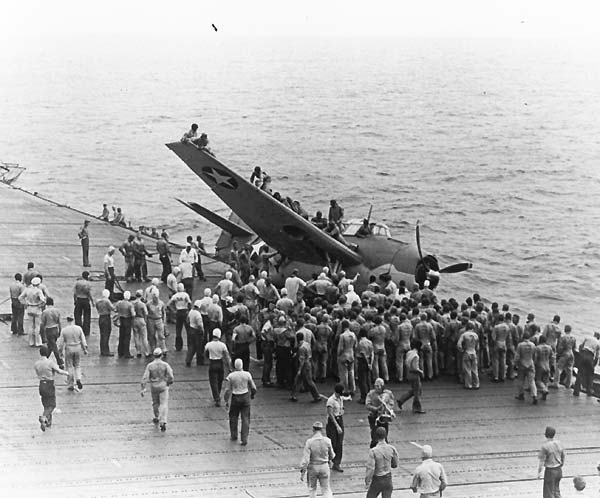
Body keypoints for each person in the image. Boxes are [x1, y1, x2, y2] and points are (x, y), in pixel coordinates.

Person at [222, 358, 257, 446]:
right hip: (245, 396)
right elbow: (253, 387)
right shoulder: (247, 375)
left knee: (233, 416)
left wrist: (226, 400)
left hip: (235, 397)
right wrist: (252, 394)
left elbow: (227, 390)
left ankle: (234, 435)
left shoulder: (231, 376)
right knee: (245, 418)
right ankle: (244, 438)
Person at [34, 345, 68, 431]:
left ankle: (48, 422)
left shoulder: (36, 364)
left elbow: (38, 373)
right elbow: (59, 371)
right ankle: (44, 417)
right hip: (49, 384)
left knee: (46, 404)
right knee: (52, 405)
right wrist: (67, 373)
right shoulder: (50, 363)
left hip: (41, 384)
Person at [141, 347, 174, 432]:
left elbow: (145, 377)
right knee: (164, 403)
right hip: (163, 385)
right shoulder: (165, 365)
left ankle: (156, 416)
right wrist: (169, 382)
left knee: (155, 402)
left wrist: (143, 388)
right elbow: (171, 375)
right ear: (161, 355)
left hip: (154, 385)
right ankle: (163, 421)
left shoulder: (150, 365)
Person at [300, 421, 335, 498]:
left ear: (313, 429)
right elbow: (332, 455)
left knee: (312, 489)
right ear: (322, 430)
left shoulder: (309, 442)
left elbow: (306, 460)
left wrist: (303, 472)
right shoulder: (327, 441)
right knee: (326, 489)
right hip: (324, 466)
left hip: (313, 467)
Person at [365, 426, 399, 498]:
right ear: (386, 435)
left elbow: (371, 468)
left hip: (377, 479)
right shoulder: (392, 449)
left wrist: (367, 481)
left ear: (376, 436)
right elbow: (395, 464)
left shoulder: (373, 451)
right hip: (388, 479)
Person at [57, 316, 88, 392]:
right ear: (73, 320)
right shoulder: (78, 328)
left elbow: (61, 343)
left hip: (69, 347)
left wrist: (60, 352)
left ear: (67, 320)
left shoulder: (64, 330)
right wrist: (84, 349)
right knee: (77, 365)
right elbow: (83, 339)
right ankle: (78, 378)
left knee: (69, 366)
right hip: (77, 347)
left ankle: (70, 383)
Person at [290, 332, 322, 403]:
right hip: (308, 362)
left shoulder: (301, 348)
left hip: (305, 366)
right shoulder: (307, 344)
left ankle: (317, 396)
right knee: (298, 380)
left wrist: (299, 370)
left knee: (308, 381)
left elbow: (302, 360)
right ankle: (293, 395)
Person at [397, 340, 426, 414]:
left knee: (413, 390)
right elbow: (415, 367)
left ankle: (401, 400)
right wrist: (421, 371)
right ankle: (417, 408)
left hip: (409, 373)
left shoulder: (409, 353)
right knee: (417, 392)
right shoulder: (416, 356)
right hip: (415, 375)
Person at [366, 378, 396, 447]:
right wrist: (376, 409)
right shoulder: (371, 394)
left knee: (384, 436)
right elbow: (367, 405)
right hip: (374, 417)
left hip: (384, 417)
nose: (377, 388)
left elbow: (391, 403)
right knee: (374, 436)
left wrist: (386, 408)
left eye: (379, 386)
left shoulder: (388, 393)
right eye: (376, 386)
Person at [204, 328, 231, 406]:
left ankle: (217, 398)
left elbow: (205, 353)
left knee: (213, 382)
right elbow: (227, 356)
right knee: (220, 381)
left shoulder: (208, 344)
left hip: (212, 363)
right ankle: (217, 395)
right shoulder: (222, 345)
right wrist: (229, 367)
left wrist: (207, 359)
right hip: (220, 363)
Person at [537, 426, 565, 498]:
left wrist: (539, 472)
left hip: (550, 471)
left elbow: (541, 461)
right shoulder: (559, 443)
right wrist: (561, 465)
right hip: (559, 470)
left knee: (548, 493)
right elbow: (563, 455)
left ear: (546, 434)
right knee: (556, 492)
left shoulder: (545, 446)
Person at [18, 276, 46, 346]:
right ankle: (37, 342)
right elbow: (43, 300)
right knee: (37, 326)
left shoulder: (27, 289)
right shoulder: (38, 291)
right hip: (36, 308)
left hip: (29, 308)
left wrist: (25, 303)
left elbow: (20, 297)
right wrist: (40, 304)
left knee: (30, 326)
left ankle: (31, 342)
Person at [326, 383, 347, 472]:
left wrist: (342, 411)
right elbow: (330, 414)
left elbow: (342, 408)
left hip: (339, 419)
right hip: (332, 423)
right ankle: (327, 460)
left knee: (339, 443)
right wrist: (337, 426)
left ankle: (337, 463)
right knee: (332, 442)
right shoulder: (330, 401)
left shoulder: (340, 399)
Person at [573, 331, 600, 397]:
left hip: (583, 354)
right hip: (590, 356)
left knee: (580, 373)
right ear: (598, 337)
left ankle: (576, 391)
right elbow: (597, 356)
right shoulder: (598, 343)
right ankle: (589, 391)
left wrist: (580, 354)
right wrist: (593, 365)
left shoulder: (587, 338)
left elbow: (580, 346)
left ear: (594, 335)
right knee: (590, 374)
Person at [167, 283, 192, 352]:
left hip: (178, 312)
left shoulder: (175, 296)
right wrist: (189, 310)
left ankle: (178, 346)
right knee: (188, 330)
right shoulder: (186, 295)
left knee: (178, 330)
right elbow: (190, 303)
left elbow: (168, 305)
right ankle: (189, 345)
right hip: (185, 312)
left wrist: (173, 311)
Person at [39, 297, 63, 368]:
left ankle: (59, 361)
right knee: (51, 345)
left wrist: (41, 332)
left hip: (49, 329)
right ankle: (46, 358)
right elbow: (59, 322)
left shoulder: (45, 312)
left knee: (53, 346)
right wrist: (60, 330)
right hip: (55, 328)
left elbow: (42, 323)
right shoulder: (57, 311)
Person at [515, 333, 538, 404]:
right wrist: (534, 362)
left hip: (522, 363)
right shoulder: (533, 345)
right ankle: (534, 395)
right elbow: (535, 356)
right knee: (531, 381)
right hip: (530, 363)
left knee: (521, 380)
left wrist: (515, 363)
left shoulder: (520, 345)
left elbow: (517, 356)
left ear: (523, 337)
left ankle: (521, 394)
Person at [73, 271, 94, 337]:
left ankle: (78, 329)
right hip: (85, 300)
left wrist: (75, 300)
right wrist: (92, 301)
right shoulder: (88, 284)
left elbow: (74, 293)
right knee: (87, 316)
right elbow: (89, 293)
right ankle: (86, 331)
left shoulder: (77, 283)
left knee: (77, 315)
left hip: (79, 299)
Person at [116, 291, 135, 359]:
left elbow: (116, 310)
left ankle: (120, 351)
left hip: (121, 319)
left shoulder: (119, 303)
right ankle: (126, 353)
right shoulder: (130, 304)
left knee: (121, 336)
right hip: (127, 320)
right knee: (127, 337)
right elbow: (133, 314)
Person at [186, 300, 205, 367]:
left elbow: (187, 320)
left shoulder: (191, 311)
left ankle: (188, 360)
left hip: (191, 330)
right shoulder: (198, 315)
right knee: (199, 346)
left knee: (191, 346)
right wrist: (203, 331)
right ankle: (199, 361)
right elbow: (200, 325)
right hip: (196, 331)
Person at [96, 289, 115, 356]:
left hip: (100, 317)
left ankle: (102, 350)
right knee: (106, 335)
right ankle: (106, 351)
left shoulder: (98, 301)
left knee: (102, 334)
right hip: (106, 317)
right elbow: (113, 308)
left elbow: (97, 308)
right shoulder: (107, 301)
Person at [132, 290, 151, 358]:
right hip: (141, 319)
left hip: (134, 320)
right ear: (141, 295)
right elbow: (146, 313)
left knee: (136, 337)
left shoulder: (132, 303)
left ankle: (138, 351)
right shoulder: (142, 304)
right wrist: (145, 320)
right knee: (144, 337)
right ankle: (146, 352)